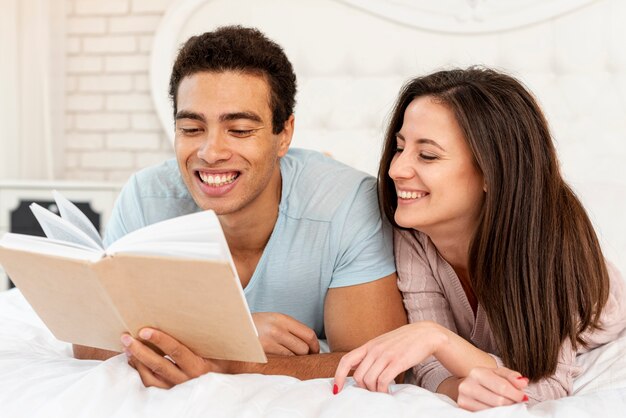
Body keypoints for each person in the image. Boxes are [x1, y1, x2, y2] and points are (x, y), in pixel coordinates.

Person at [73, 25, 407, 387]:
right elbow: (89, 342)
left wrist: (233, 361)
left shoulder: (345, 204)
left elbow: (379, 363)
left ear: (284, 135)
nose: (211, 152)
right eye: (191, 128)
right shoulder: (145, 198)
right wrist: (227, 334)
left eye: (240, 130)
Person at [333, 67, 626, 410]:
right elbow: (429, 366)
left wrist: (436, 338)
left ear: (491, 173)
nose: (396, 170)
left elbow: (545, 386)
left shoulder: (550, 243)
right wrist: (455, 385)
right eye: (400, 148)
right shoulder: (414, 230)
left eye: (427, 155)